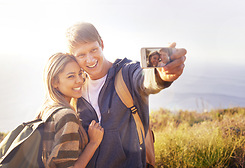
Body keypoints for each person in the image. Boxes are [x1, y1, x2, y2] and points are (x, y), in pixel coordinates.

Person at [65, 22, 187, 168]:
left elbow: (145, 79)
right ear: (73, 57)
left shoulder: (126, 74)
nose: (90, 59)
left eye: (93, 50)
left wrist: (161, 75)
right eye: (81, 55)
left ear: (102, 44)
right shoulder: (76, 89)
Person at [36, 53, 104, 168]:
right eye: (71, 76)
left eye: (80, 73)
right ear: (54, 82)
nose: (80, 80)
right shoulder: (67, 116)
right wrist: (93, 143)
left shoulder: (47, 109)